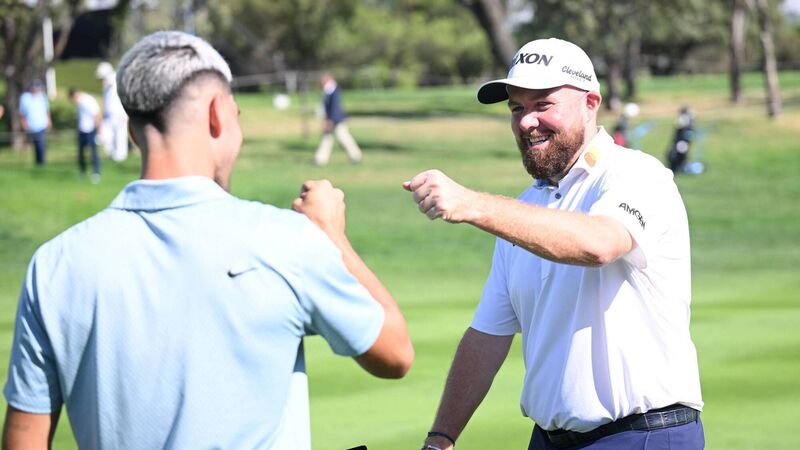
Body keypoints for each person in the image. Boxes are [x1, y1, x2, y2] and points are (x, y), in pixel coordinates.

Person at [2, 31, 413, 450]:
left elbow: (24, 440)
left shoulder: (56, 263)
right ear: (217, 114)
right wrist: (332, 236)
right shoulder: (284, 241)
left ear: (133, 132)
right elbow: (395, 353)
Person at [405, 38, 703, 450]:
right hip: (549, 440)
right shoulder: (524, 209)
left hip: (643, 435)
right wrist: (440, 439)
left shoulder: (637, 175)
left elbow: (600, 243)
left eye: (543, 104)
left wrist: (472, 204)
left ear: (590, 103)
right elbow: (487, 335)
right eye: (516, 108)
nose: (527, 121)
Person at [314, 72, 363, 166]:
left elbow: (335, 107)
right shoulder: (329, 90)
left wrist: (330, 120)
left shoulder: (333, 90)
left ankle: (356, 156)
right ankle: (320, 159)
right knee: (327, 139)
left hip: (336, 120)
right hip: (332, 119)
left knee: (343, 138)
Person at [96, 61, 130, 162]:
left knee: (120, 135)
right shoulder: (106, 86)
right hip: (109, 115)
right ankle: (111, 154)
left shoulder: (116, 80)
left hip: (119, 114)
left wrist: (124, 113)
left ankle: (120, 156)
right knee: (107, 135)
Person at [69, 88, 102, 183]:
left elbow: (97, 115)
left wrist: (98, 130)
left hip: (91, 130)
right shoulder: (79, 104)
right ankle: (83, 171)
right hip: (82, 130)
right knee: (81, 153)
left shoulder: (87, 101)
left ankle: (96, 172)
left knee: (93, 152)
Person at [18, 80, 51, 165]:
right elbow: (22, 113)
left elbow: (47, 110)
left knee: (40, 145)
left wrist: (49, 121)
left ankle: (41, 163)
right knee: (30, 146)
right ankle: (35, 163)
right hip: (30, 126)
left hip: (41, 125)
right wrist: (24, 123)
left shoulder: (43, 96)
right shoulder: (25, 97)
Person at [666, 106, 695, 173]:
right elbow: (680, 129)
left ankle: (681, 167)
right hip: (681, 141)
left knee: (683, 155)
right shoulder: (683, 119)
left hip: (684, 141)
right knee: (680, 155)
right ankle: (678, 167)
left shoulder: (687, 119)